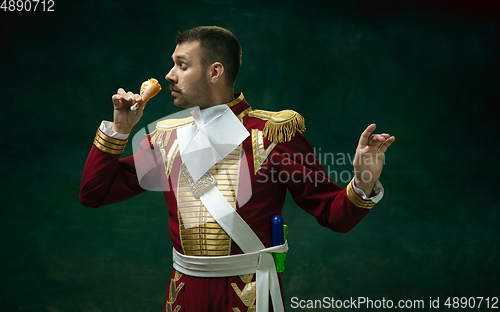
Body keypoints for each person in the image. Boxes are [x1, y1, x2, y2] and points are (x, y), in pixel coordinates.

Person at [80, 26, 395, 312]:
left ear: (215, 71)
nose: (169, 75)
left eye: (182, 65)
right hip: (183, 297)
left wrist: (363, 179)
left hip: (249, 297)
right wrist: (120, 131)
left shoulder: (273, 135)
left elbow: (333, 215)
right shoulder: (166, 138)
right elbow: (94, 193)